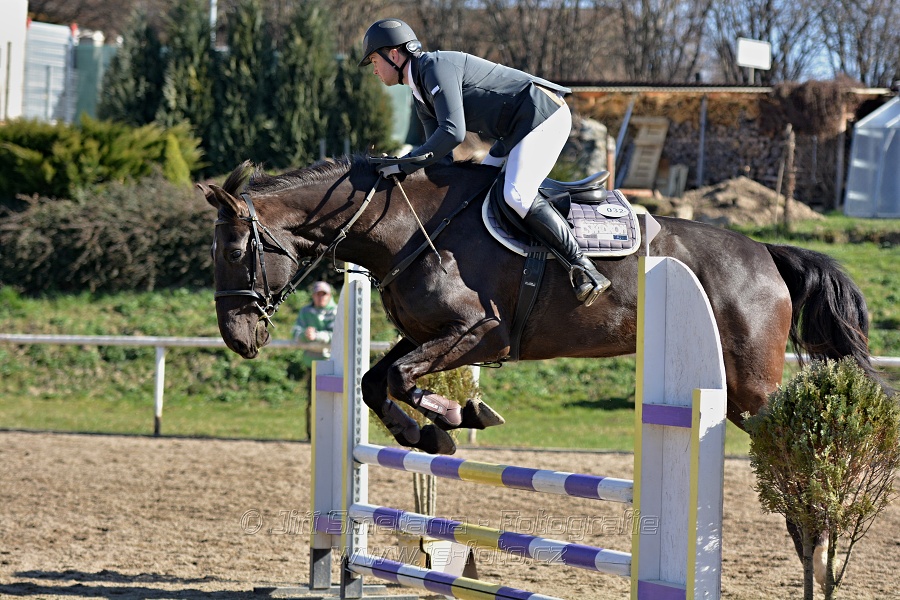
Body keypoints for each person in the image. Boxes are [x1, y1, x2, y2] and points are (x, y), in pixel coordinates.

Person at [359, 18, 611, 306]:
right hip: (515, 130)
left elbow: (452, 133)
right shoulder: (421, 94)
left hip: (543, 114)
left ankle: (584, 269)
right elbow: (442, 161)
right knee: (477, 191)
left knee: (516, 195)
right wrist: (400, 175)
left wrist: (405, 165)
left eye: (374, 60)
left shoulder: (435, 67)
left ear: (393, 54)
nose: (374, 70)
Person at [292, 281, 337, 367]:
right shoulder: (305, 311)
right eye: (318, 294)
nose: (320, 297)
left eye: (323, 294)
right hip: (308, 363)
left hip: (331, 362)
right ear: (313, 295)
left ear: (329, 296)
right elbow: (295, 333)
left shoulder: (337, 311)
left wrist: (316, 336)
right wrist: (305, 334)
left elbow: (337, 337)